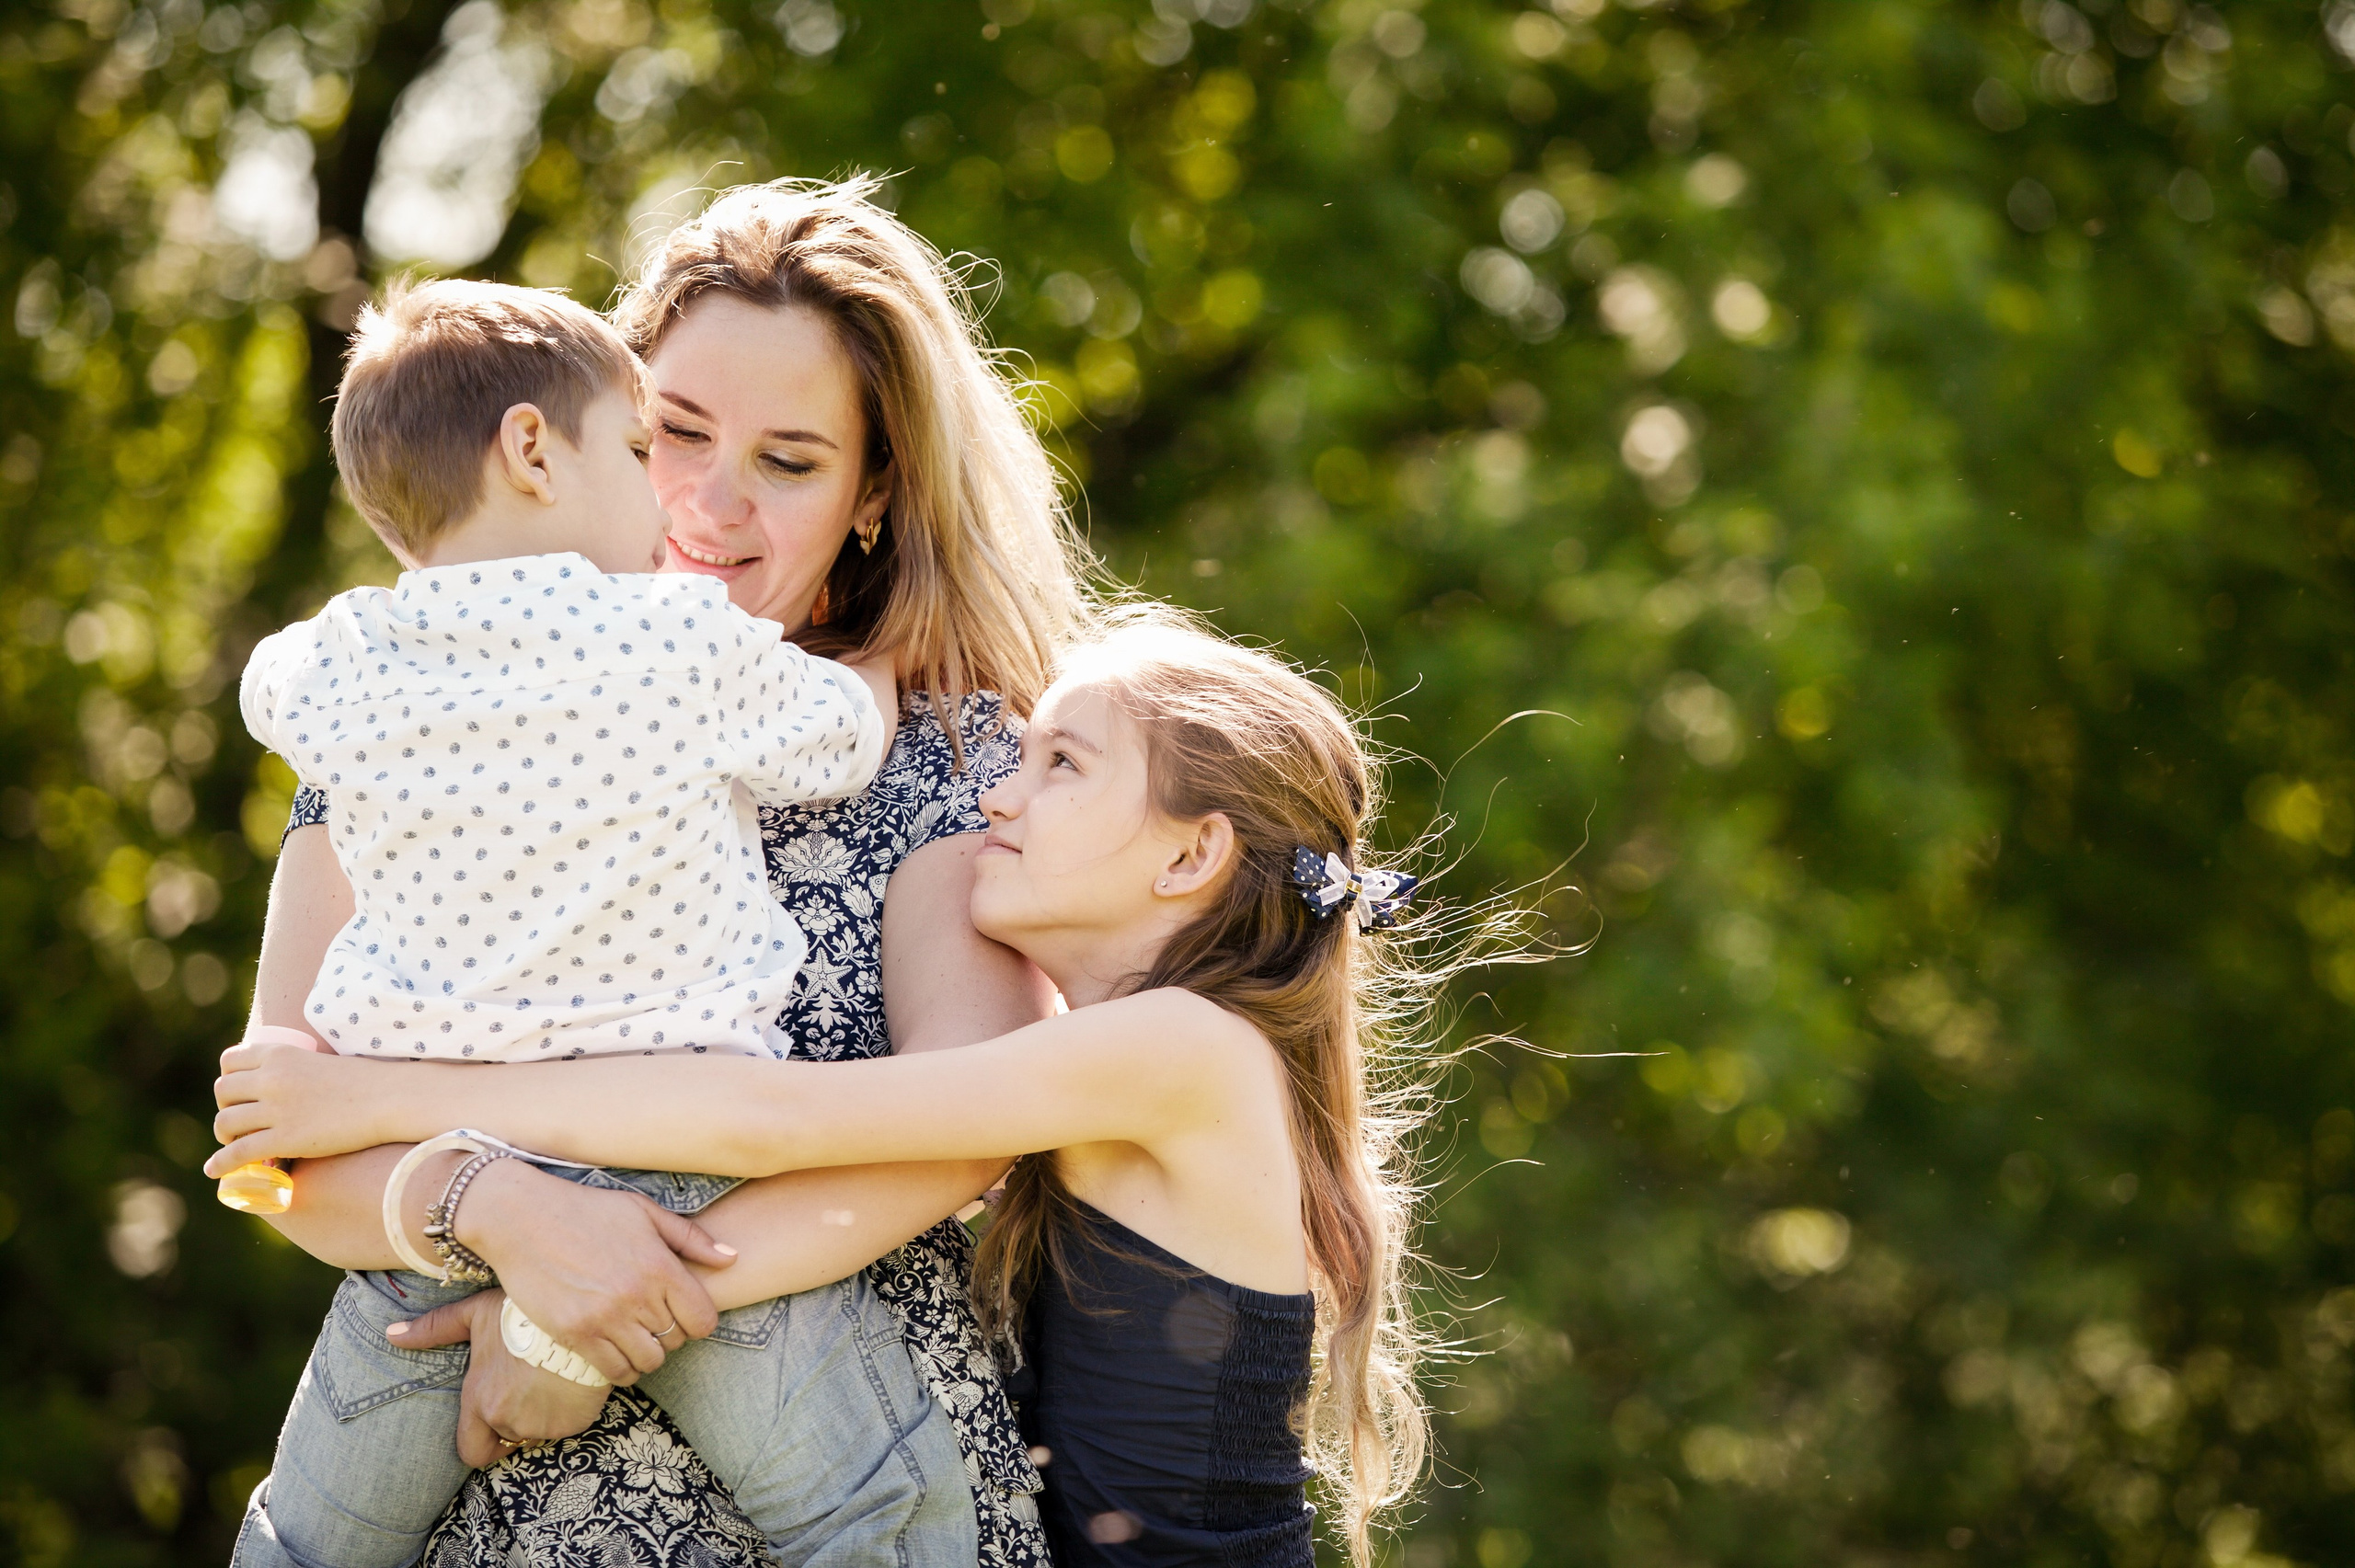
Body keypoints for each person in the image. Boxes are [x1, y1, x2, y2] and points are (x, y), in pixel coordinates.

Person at [229, 177, 1091, 1567]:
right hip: (508, 1516)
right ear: (575, 433)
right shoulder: (408, 717)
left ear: (874, 494)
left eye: (791, 460)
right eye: (675, 432)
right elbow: (282, 1139)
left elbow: (962, 1123)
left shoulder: (945, 749)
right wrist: (494, 1211)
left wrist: (578, 1312)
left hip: (819, 1494)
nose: (706, 499)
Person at [214, 612, 1442, 1568]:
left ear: (1191, 852)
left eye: (1062, 763)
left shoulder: (1186, 1051)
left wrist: (385, 1098)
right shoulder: (1134, 1053)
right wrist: (559, 1288)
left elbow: (771, 1119)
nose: (1002, 794)